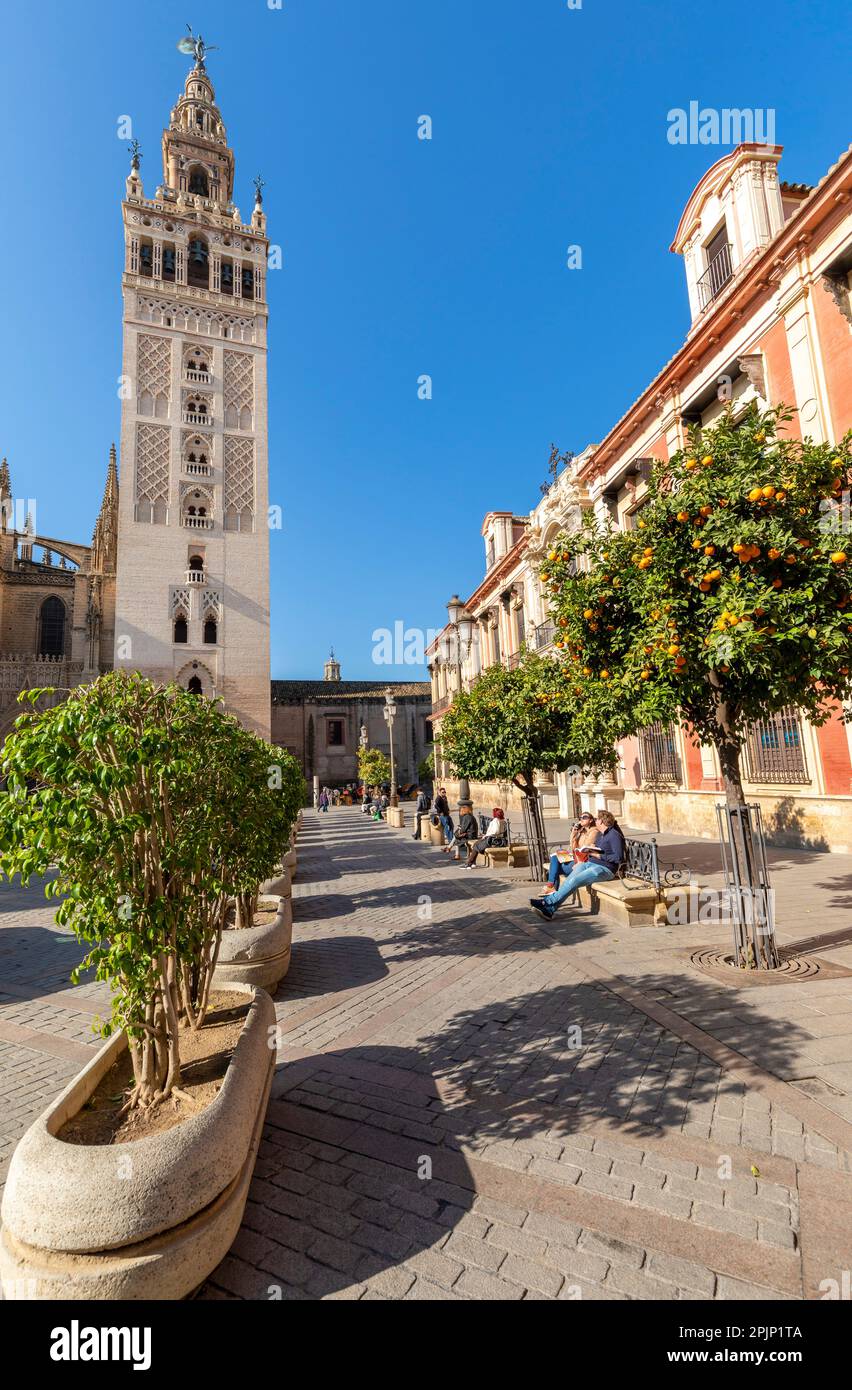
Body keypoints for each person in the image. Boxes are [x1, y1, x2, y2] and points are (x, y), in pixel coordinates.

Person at [530, 810, 625, 920]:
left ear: (602, 822)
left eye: (596, 819)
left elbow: (618, 858)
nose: (595, 821)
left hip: (605, 869)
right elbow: (598, 850)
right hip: (590, 863)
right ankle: (549, 910)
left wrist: (597, 855)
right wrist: (590, 850)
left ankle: (546, 902)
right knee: (570, 880)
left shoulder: (614, 835)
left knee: (575, 881)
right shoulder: (601, 835)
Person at [545, 812, 599, 891]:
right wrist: (574, 832)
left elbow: (585, 847)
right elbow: (572, 845)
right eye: (580, 818)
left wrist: (581, 833)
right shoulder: (581, 831)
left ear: (591, 820)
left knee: (553, 870)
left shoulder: (594, 831)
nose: (581, 819)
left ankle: (550, 889)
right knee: (554, 857)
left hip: (583, 861)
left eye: (584, 817)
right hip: (576, 857)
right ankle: (551, 889)